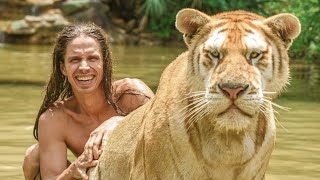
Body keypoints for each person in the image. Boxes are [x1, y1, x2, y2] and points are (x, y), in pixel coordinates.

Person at [22, 23, 154, 180]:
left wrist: (118, 122)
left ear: (103, 62)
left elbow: (165, 135)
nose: (84, 67)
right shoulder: (54, 118)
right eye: (75, 60)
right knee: (33, 156)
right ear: (63, 68)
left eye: (92, 58)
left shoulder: (132, 95)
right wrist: (72, 171)